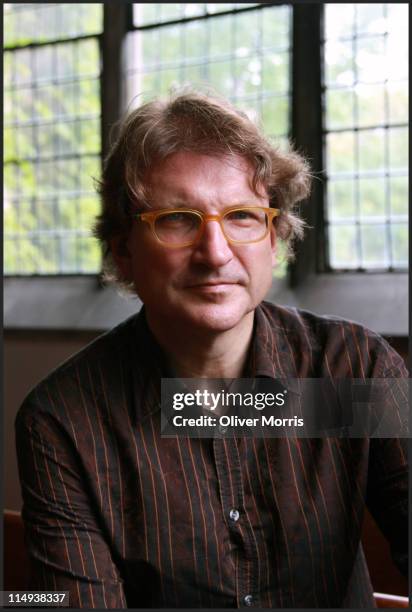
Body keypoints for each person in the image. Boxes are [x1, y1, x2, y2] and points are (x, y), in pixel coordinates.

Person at [15, 91, 408, 609]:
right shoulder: (64, 422)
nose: (215, 253)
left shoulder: (356, 372)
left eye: (242, 216)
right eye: (177, 219)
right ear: (123, 250)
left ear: (275, 239)